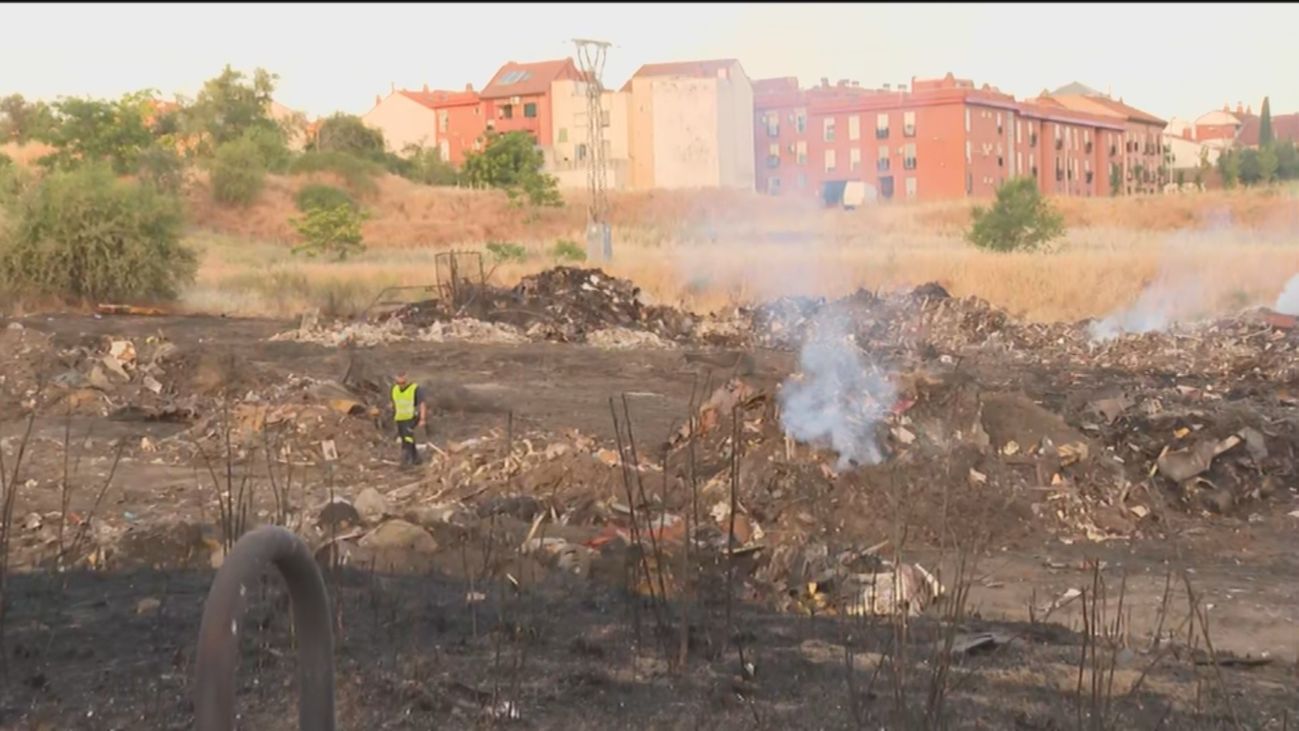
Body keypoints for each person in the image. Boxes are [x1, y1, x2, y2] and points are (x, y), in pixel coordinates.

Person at [390, 371, 427, 467]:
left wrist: (422, 419)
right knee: (405, 439)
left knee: (408, 439)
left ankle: (407, 460)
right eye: (398, 383)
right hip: (400, 418)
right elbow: (394, 403)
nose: (401, 385)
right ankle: (416, 459)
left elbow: (422, 404)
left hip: (411, 417)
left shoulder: (414, 389)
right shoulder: (395, 390)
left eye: (403, 383)